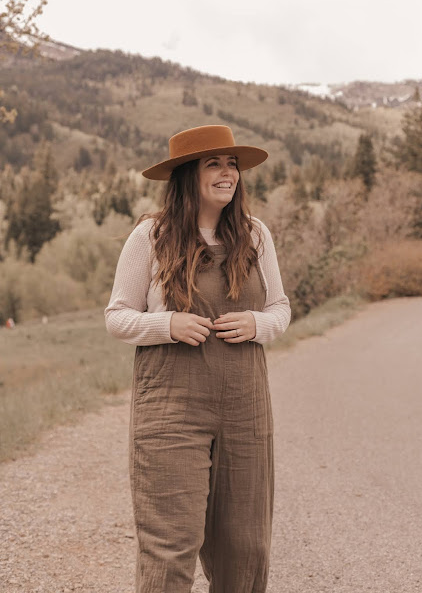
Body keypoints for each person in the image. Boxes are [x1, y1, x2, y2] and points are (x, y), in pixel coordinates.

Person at [104, 124, 291, 593]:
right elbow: (117, 317)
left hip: (245, 405)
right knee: (171, 545)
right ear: (188, 174)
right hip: (170, 409)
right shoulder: (151, 236)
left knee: (245, 547)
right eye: (214, 164)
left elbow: (280, 308)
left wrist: (257, 324)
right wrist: (167, 324)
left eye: (232, 164)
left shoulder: (255, 235)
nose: (228, 173)